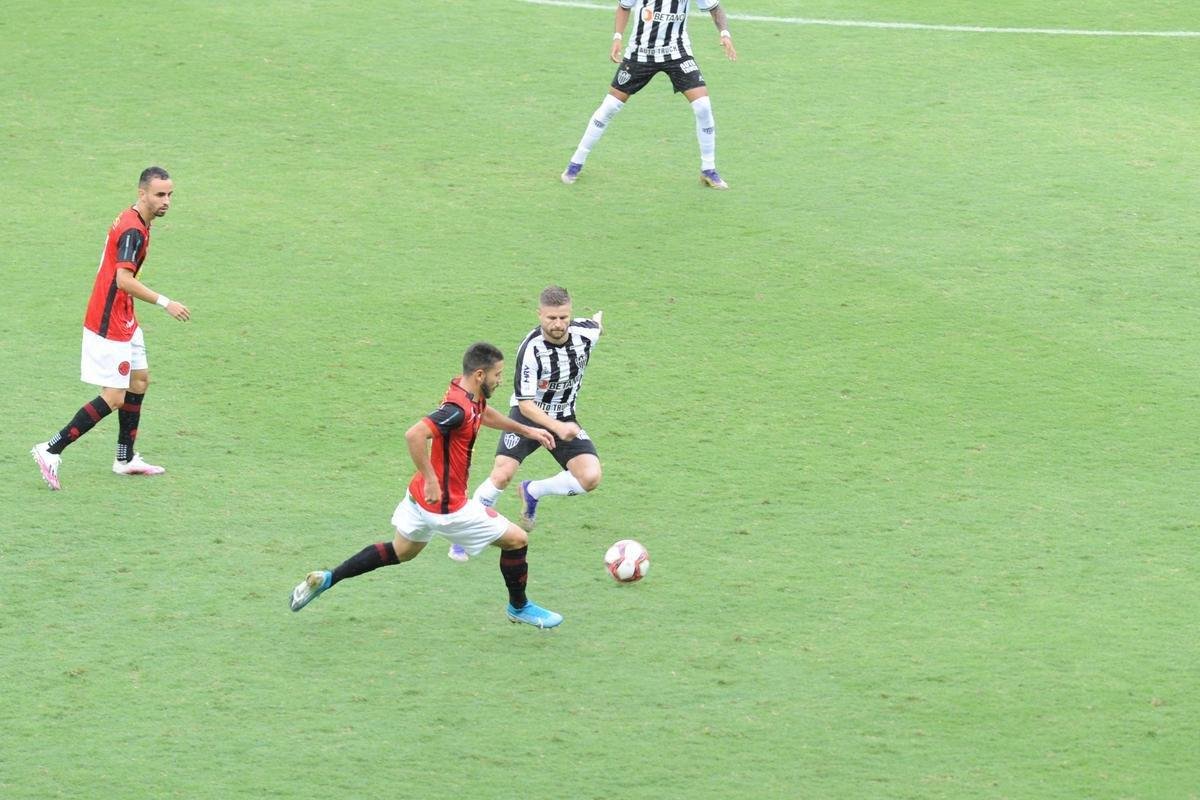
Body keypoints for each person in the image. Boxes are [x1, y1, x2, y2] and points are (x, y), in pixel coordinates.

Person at [290, 342, 565, 629]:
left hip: (418, 498)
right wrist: (433, 479)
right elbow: (415, 435)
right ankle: (519, 607)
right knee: (518, 539)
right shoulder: (456, 409)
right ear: (481, 375)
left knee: (401, 551)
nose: (501, 380)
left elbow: (482, 413)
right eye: (498, 374)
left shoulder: (466, 391)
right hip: (447, 507)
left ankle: (328, 578)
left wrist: (527, 429)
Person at [31, 166, 190, 491]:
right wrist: (165, 302)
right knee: (115, 396)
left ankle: (125, 459)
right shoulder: (133, 230)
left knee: (139, 379)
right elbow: (124, 280)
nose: (167, 201)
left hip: (123, 315)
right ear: (142, 193)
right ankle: (49, 449)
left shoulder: (136, 220)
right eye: (160, 195)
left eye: (170, 194)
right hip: (110, 322)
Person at [448, 286, 603, 562]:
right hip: (528, 414)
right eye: (551, 318)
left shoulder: (585, 333)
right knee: (502, 474)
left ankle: (533, 491)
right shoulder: (531, 349)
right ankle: (465, 534)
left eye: (564, 317)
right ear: (539, 315)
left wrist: (598, 322)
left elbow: (596, 325)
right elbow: (525, 403)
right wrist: (555, 428)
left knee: (590, 477)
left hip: (564, 416)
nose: (558, 324)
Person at [560, 0, 737, 189]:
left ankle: (708, 170)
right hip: (640, 54)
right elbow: (624, 6)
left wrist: (724, 34)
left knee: (703, 106)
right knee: (609, 107)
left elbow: (715, 7)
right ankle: (575, 163)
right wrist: (617, 37)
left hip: (676, 53)